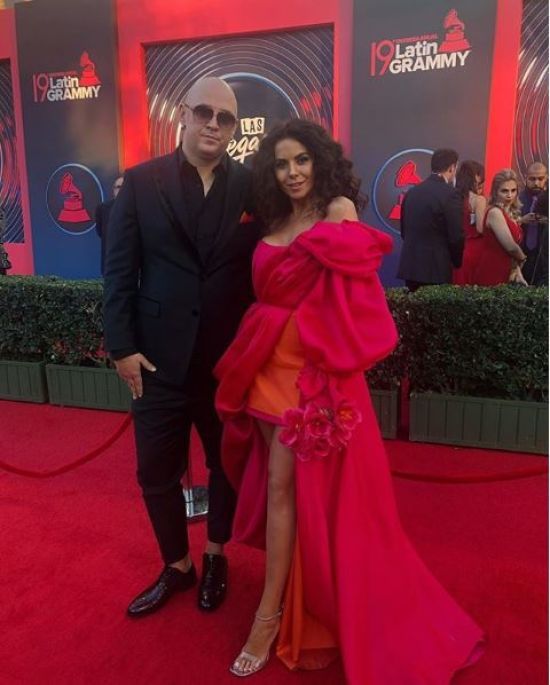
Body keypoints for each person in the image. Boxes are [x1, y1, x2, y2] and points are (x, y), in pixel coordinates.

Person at [214, 119, 483, 682]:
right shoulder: (273, 219)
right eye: (281, 163)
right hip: (261, 365)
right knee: (280, 489)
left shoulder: (337, 211)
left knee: (284, 487)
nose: (292, 172)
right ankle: (293, 592)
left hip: (309, 378)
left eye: (301, 160)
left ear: (320, 162)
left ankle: (268, 617)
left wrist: (330, 372)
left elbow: (356, 297)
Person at [103, 77, 260, 618]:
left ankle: (215, 555)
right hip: (155, 362)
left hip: (227, 364)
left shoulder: (252, 188)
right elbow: (118, 272)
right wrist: (121, 347)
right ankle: (177, 565)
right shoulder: (141, 182)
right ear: (184, 116)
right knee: (155, 473)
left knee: (226, 466)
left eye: (225, 118)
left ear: (234, 129)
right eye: (204, 113)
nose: (214, 124)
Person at [397, 148, 464, 291]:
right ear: (452, 167)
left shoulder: (412, 192)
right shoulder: (451, 194)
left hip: (411, 267)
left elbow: (404, 231)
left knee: (414, 305)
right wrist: (456, 262)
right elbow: (456, 236)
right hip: (437, 269)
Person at [466, 169, 527, 286]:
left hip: (509, 269)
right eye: (504, 191)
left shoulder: (511, 213)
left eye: (513, 190)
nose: (509, 195)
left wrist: (516, 269)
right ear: (495, 192)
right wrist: (523, 258)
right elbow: (511, 247)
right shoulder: (495, 212)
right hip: (493, 268)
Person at [453, 160, 487, 284]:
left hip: (455, 250)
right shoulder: (479, 200)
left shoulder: (452, 197)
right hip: (474, 249)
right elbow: (480, 228)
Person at [518, 162, 548, 285]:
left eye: (540, 179)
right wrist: (521, 220)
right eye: (532, 179)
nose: (536, 183)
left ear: (547, 178)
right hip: (520, 255)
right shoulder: (516, 198)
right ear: (525, 178)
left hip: (544, 256)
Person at [95, 175, 123, 275]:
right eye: (118, 187)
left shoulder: (137, 207)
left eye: (124, 187)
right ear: (113, 190)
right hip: (110, 261)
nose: (121, 190)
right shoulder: (103, 208)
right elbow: (100, 232)